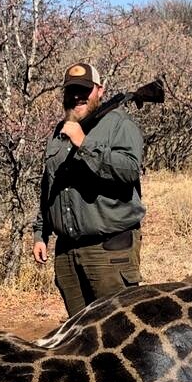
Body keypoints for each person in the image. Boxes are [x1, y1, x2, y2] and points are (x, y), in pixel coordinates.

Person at [33, 62, 145, 317]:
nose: (77, 96)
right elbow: (50, 185)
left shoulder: (118, 124)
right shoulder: (60, 130)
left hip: (108, 251)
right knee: (80, 338)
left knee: (118, 332)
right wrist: (41, 234)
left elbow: (128, 171)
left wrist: (84, 144)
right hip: (67, 253)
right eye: (72, 90)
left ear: (100, 90)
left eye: (85, 90)